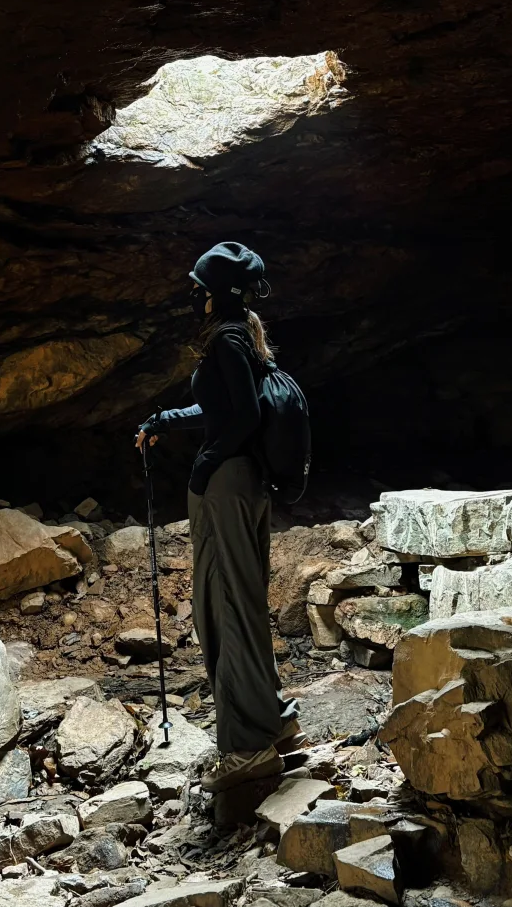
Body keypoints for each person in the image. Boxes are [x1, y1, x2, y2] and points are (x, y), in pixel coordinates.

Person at [136, 241, 304, 792]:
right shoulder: (243, 337)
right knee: (240, 601)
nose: (192, 295)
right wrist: (166, 418)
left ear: (214, 294)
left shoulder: (228, 341)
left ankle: (245, 747)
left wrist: (206, 464)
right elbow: (220, 410)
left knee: (223, 608)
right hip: (242, 483)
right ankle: (271, 721)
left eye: (198, 287)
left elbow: (245, 417)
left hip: (226, 486)